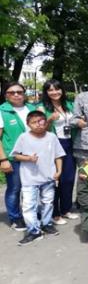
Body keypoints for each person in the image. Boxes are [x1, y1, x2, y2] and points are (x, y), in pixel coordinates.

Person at [11, 111, 66, 245]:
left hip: (48, 178)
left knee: (48, 202)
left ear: (45, 122)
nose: (38, 125)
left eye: (41, 121)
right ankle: (34, 231)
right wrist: (28, 158)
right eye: (34, 122)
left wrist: (59, 170)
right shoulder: (23, 137)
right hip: (29, 179)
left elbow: (58, 155)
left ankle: (46, 224)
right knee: (29, 206)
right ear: (28, 124)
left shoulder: (52, 137)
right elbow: (15, 155)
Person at [38, 79, 79, 225]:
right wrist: (49, 120)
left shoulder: (69, 105)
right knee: (54, 180)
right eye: (50, 90)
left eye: (57, 89)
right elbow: (39, 129)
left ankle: (66, 209)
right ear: (46, 92)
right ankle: (55, 213)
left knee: (68, 179)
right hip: (53, 145)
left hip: (69, 143)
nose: (54, 92)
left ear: (62, 90)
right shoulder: (42, 107)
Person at [0, 82, 36, 231]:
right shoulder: (2, 111)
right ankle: (15, 218)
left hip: (33, 157)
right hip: (13, 158)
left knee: (32, 188)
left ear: (24, 93)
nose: (16, 95)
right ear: (6, 95)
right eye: (12, 92)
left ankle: (31, 215)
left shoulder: (32, 109)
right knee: (15, 188)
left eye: (19, 92)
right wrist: (3, 160)